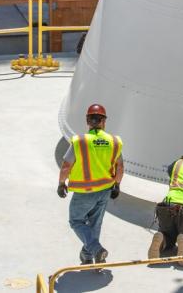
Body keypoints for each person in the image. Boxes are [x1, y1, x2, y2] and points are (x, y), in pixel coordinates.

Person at [57, 103, 124, 265]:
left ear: (88, 121)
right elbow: (120, 167)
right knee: (95, 223)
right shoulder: (114, 142)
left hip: (84, 192)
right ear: (104, 122)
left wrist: (61, 183)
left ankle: (96, 249)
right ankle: (88, 256)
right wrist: (117, 185)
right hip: (105, 190)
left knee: (76, 221)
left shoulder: (80, 141)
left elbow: (66, 165)